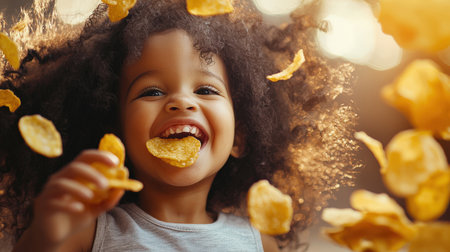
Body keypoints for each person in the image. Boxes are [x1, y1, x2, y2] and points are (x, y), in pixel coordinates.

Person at [0, 0, 357, 251]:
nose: (181, 102)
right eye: (151, 90)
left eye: (205, 89)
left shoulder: (257, 242)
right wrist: (47, 230)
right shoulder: (88, 232)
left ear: (242, 136)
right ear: (116, 129)